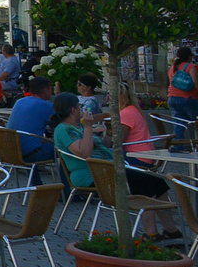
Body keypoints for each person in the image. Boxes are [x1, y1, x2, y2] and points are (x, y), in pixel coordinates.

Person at [52, 92, 181, 243]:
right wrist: (88, 127)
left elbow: (103, 147)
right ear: (73, 110)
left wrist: (109, 133)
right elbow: (84, 153)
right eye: (79, 107)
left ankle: (171, 230)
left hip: (107, 168)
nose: (82, 110)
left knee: (156, 182)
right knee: (146, 183)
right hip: (92, 175)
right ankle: (151, 233)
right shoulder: (63, 130)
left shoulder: (78, 126)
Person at [6, 76, 57, 165]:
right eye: (50, 89)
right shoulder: (46, 105)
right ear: (45, 90)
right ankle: (67, 178)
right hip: (30, 155)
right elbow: (61, 124)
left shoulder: (20, 101)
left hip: (11, 152)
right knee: (65, 149)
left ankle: (34, 178)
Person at [168, 46, 198, 127]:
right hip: (189, 98)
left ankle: (179, 139)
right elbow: (195, 82)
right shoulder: (191, 67)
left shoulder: (173, 68)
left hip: (173, 98)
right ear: (189, 56)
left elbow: (171, 83)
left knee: (178, 125)